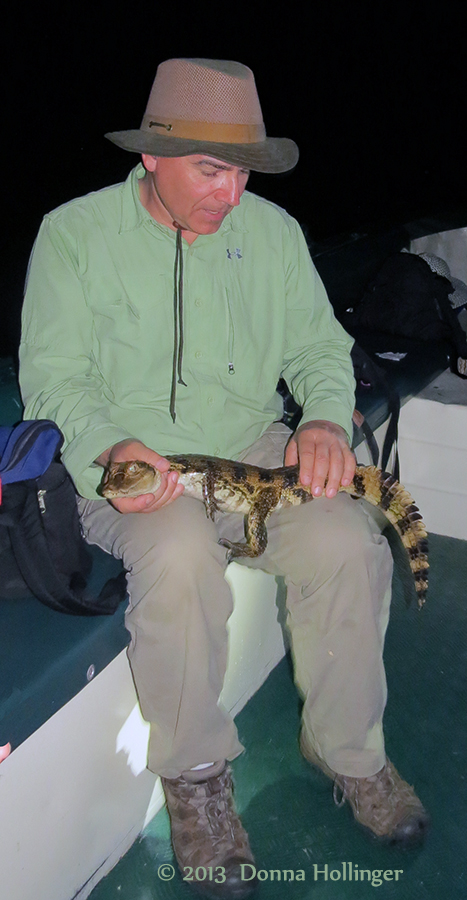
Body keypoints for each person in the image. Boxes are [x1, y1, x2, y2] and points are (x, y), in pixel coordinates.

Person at [19, 58, 429, 899]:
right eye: (212, 169)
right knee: (176, 561)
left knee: (347, 540)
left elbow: (318, 351)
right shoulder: (71, 236)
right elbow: (54, 381)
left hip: (251, 445)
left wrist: (320, 417)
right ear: (152, 159)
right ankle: (198, 782)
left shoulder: (272, 236)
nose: (231, 192)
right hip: (127, 465)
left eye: (242, 170)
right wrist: (112, 450)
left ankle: (348, 752)